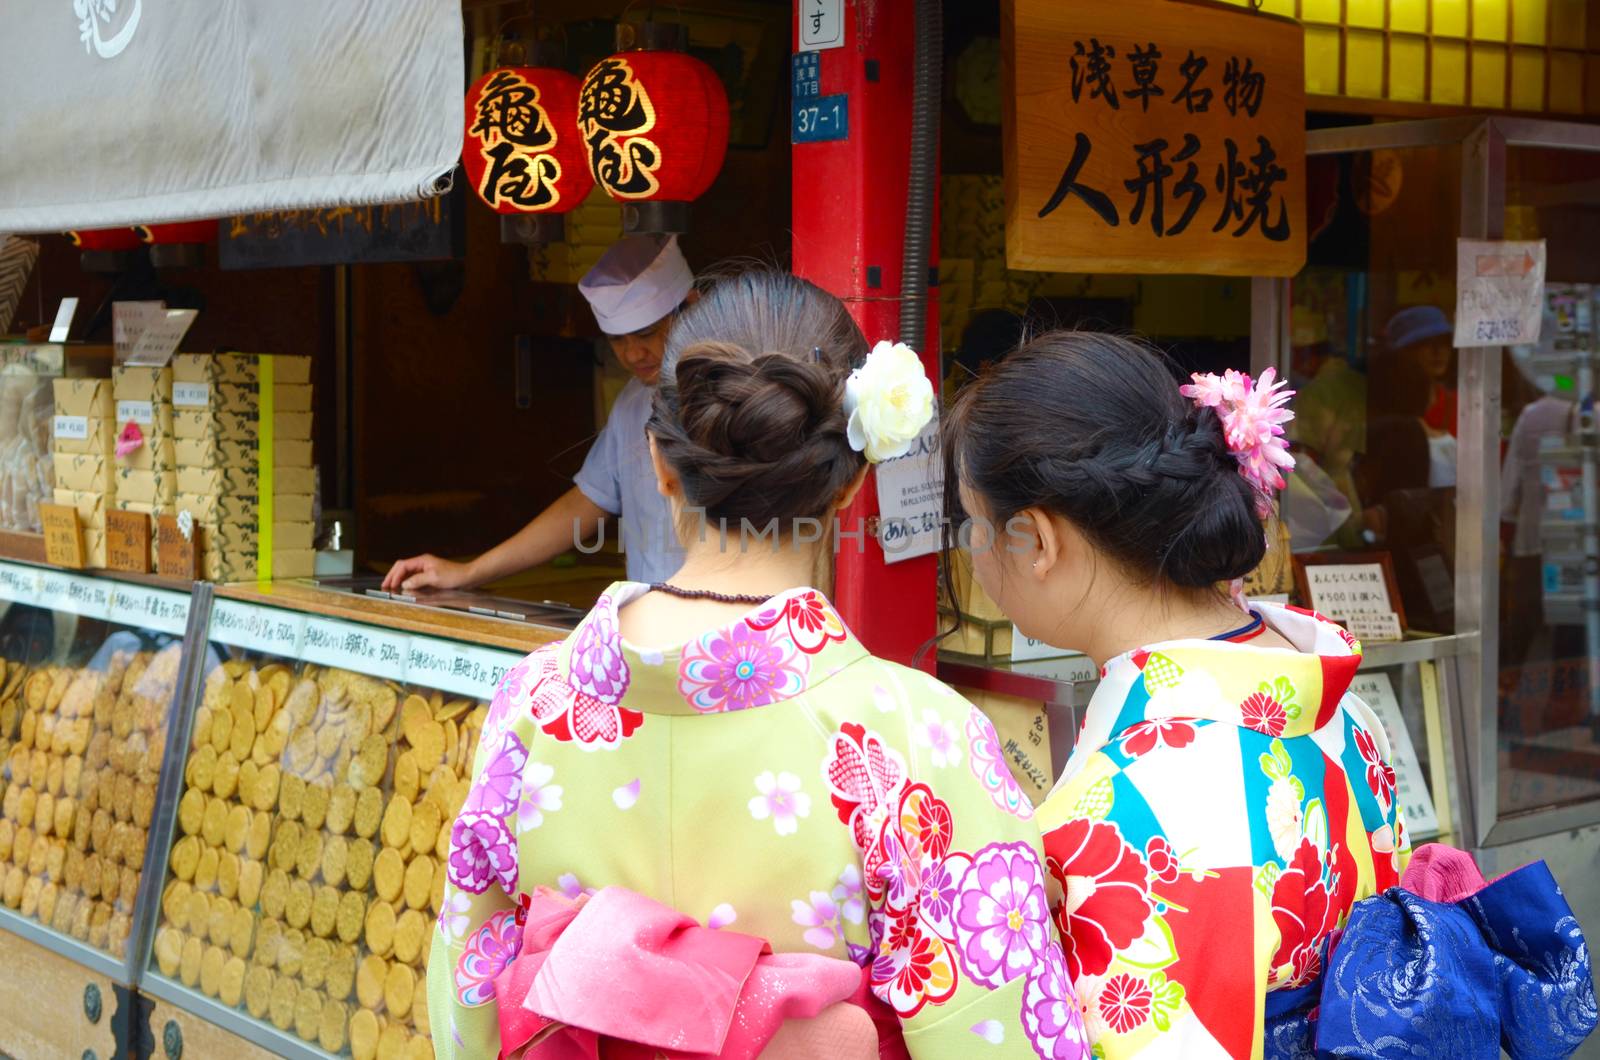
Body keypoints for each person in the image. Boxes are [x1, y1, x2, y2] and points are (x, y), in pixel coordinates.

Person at [427, 271, 1085, 1059]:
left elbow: (469, 990)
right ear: (851, 487)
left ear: (660, 467)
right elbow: (1000, 1036)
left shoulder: (533, 703)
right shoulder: (920, 738)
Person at [943, 333, 1408, 1056]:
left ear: (1036, 541)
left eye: (973, 524)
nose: (969, 548)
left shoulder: (1118, 803)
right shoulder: (1342, 703)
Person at [382, 235, 693, 595]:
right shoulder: (631, 404)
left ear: (690, 305)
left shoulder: (739, 393)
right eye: (617, 340)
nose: (632, 354)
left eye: (646, 334)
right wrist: (468, 573)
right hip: (650, 622)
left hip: (729, 631)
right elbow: (586, 502)